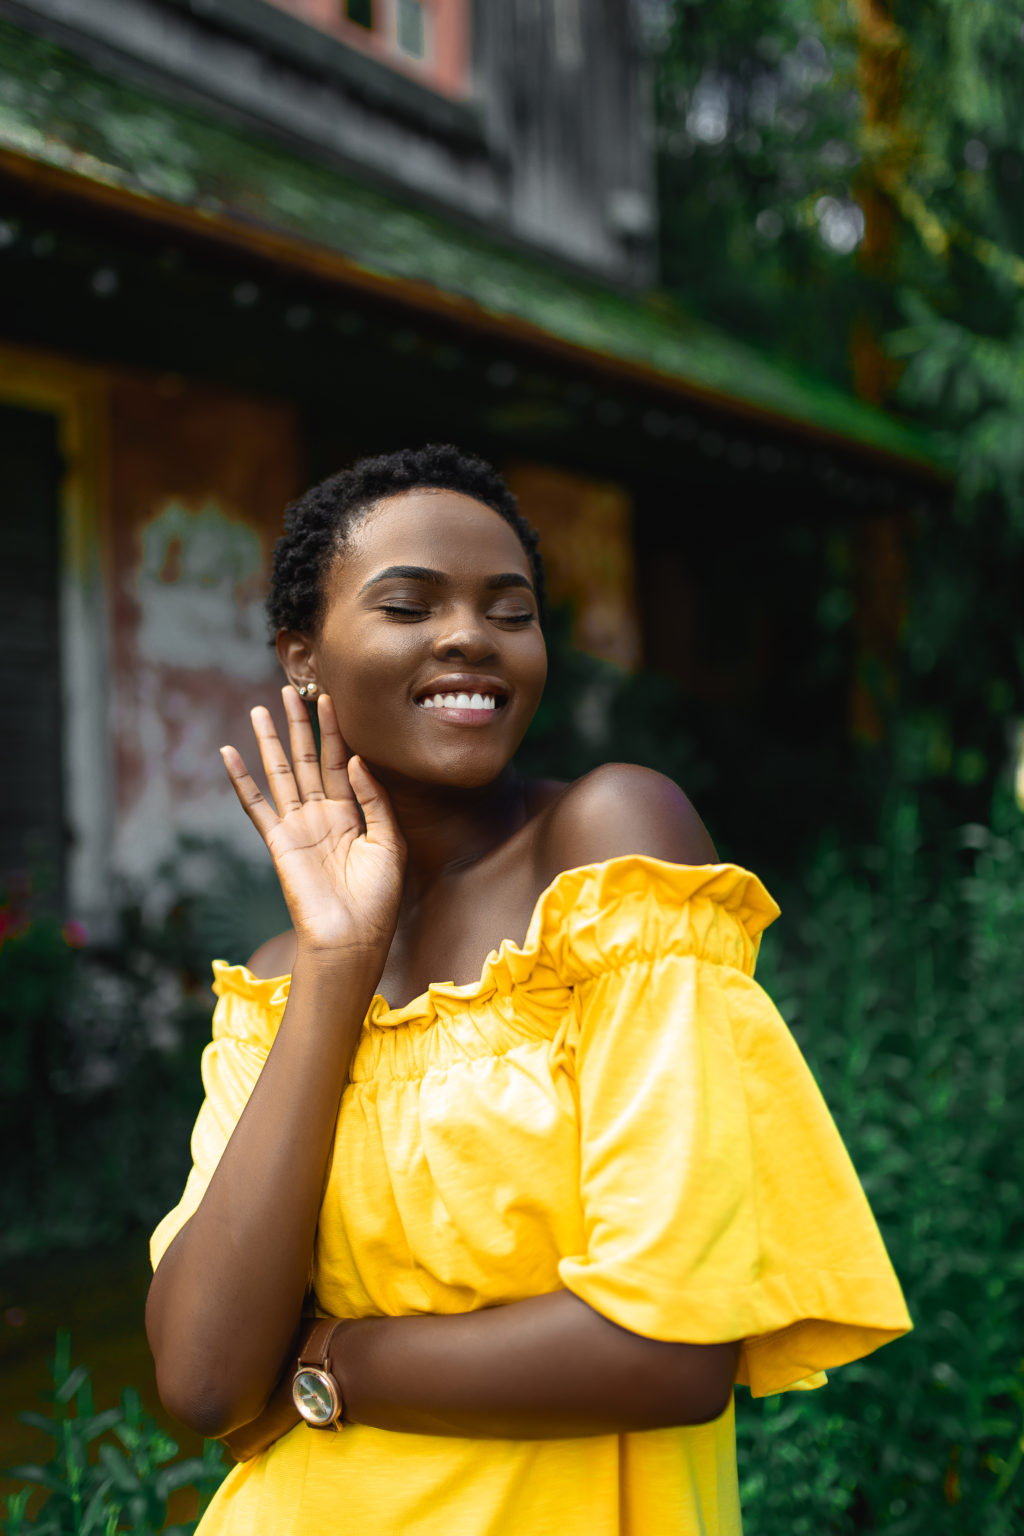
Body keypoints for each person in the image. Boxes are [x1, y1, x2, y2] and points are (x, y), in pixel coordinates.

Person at [146, 443, 911, 1535]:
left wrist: (324, 1357)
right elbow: (207, 1376)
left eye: (510, 610)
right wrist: (335, 970)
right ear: (302, 656)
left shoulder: (610, 853)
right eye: (409, 604)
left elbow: (670, 1346)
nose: (469, 635)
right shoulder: (278, 980)